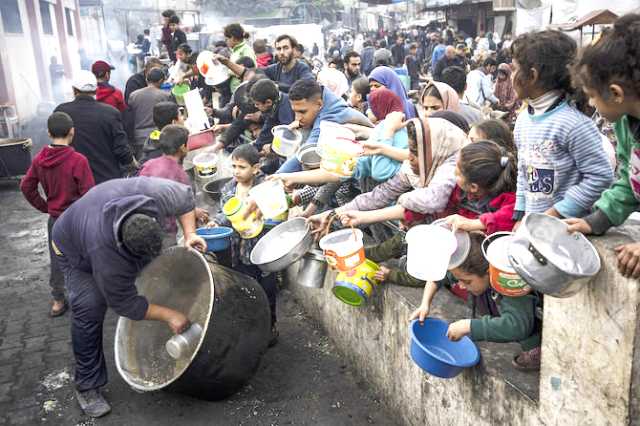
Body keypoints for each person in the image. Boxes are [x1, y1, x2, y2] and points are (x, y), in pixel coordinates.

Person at [51, 177, 206, 417]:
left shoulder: (154, 194)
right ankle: (87, 386)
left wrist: (190, 234)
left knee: (154, 273)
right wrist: (169, 315)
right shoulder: (105, 256)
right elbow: (125, 304)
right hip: (71, 245)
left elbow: (185, 199)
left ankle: (164, 320)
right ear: (122, 248)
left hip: (97, 220)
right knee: (89, 306)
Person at [366, 140, 517, 287]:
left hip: (470, 260)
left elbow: (509, 216)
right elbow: (437, 205)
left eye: (457, 172)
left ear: (473, 186)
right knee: (404, 237)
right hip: (450, 237)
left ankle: (391, 274)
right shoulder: (459, 191)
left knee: (428, 271)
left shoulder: (509, 199)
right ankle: (368, 254)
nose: (453, 174)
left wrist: (473, 224)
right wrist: (410, 217)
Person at [509, 30, 614, 223]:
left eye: (514, 69)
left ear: (532, 76)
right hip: (536, 224)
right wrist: (520, 211)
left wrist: (557, 212)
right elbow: (524, 171)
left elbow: (600, 177)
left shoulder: (573, 124)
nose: (511, 75)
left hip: (566, 228)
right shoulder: (523, 121)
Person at [566, 14, 640, 279]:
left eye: (593, 96)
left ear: (616, 93)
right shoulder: (625, 123)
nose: (592, 105)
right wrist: (597, 220)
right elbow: (630, 180)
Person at [409, 232, 540, 369]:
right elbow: (438, 277)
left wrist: (469, 326)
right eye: (459, 280)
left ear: (488, 273)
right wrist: (425, 304)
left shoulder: (508, 282)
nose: (460, 285)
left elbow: (517, 326)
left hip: (534, 335)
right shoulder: (468, 272)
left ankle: (535, 351)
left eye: (467, 282)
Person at [311, 116, 466, 230]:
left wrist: (403, 199)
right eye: (409, 150)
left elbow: (432, 199)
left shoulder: (455, 167)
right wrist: (333, 214)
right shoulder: (420, 165)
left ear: (434, 151)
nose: (409, 157)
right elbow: (379, 195)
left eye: (415, 152)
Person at [20, 112, 95, 317]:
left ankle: (58, 300)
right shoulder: (78, 160)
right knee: (83, 256)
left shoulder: (38, 160)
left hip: (55, 220)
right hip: (77, 219)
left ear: (49, 133)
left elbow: (26, 186)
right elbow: (89, 194)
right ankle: (87, 295)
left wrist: (45, 207)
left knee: (57, 259)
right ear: (72, 132)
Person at [208, 145, 279, 344]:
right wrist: (216, 222)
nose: (236, 171)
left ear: (256, 168)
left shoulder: (265, 186)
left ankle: (271, 326)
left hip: (264, 249)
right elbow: (224, 213)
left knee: (267, 289)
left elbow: (276, 211)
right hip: (238, 250)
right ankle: (254, 328)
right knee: (246, 289)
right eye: (234, 166)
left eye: (242, 167)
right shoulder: (229, 188)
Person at [54, 71, 135, 184]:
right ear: (96, 90)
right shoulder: (110, 113)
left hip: (74, 180)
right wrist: (132, 163)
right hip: (107, 180)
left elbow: (57, 145)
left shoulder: (61, 112)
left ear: (74, 90)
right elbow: (121, 149)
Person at [276, 79, 371, 174]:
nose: (298, 118)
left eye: (302, 112)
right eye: (295, 112)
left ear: (319, 104)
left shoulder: (329, 118)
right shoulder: (325, 99)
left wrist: (277, 177)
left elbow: (306, 153)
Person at [139, 125, 209, 242]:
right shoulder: (179, 174)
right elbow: (182, 207)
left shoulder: (149, 164)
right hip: (163, 229)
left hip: (142, 224)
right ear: (182, 147)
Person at [128, 68, 173, 159]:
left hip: (139, 138)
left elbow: (129, 118)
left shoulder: (133, 96)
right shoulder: (165, 95)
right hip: (159, 137)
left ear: (146, 79)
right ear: (161, 81)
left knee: (145, 168)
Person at [250, 78, 295, 155]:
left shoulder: (285, 110)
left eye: (257, 104)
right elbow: (268, 128)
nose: (255, 106)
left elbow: (287, 136)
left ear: (268, 102)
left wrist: (271, 147)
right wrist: (255, 147)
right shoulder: (275, 104)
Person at [215, 23, 256, 94]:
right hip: (235, 90)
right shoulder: (235, 51)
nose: (226, 41)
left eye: (227, 39)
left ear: (233, 38)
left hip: (244, 90)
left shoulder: (246, 50)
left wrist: (228, 71)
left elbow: (250, 70)